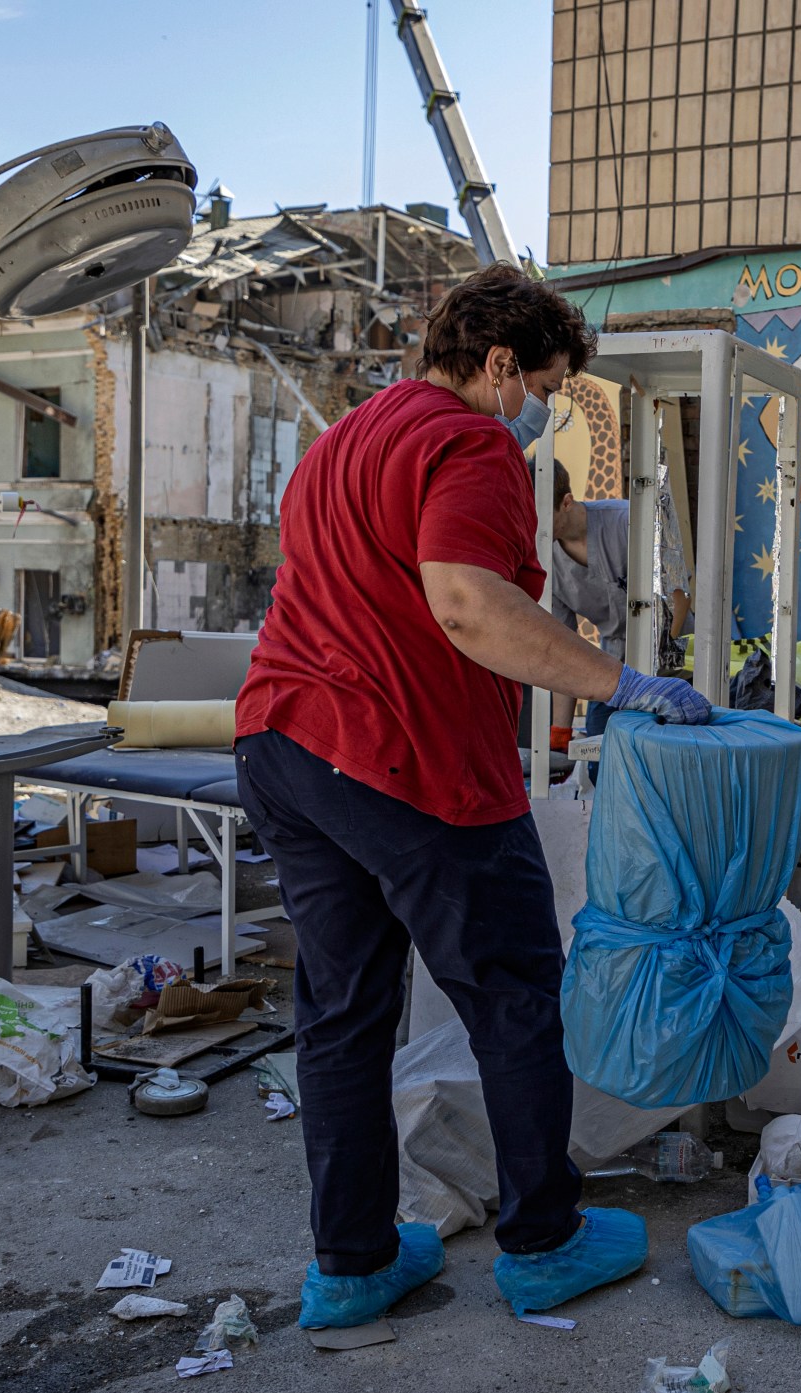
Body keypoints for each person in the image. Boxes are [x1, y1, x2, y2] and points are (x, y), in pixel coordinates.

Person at [232, 264, 711, 1331]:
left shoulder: (343, 441)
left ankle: (350, 1265)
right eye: (540, 384)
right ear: (499, 365)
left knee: (344, 1015)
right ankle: (545, 1241)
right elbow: (464, 601)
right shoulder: (471, 440)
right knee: (512, 995)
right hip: (405, 759)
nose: (537, 408)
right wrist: (619, 682)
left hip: (284, 745)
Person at [546, 461, 692, 741]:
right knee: (599, 753)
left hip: (673, 661)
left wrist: (659, 668)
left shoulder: (628, 521)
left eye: (540, 515)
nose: (532, 526)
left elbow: (679, 596)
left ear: (566, 502)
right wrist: (560, 731)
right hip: (616, 668)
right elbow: (560, 646)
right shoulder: (544, 557)